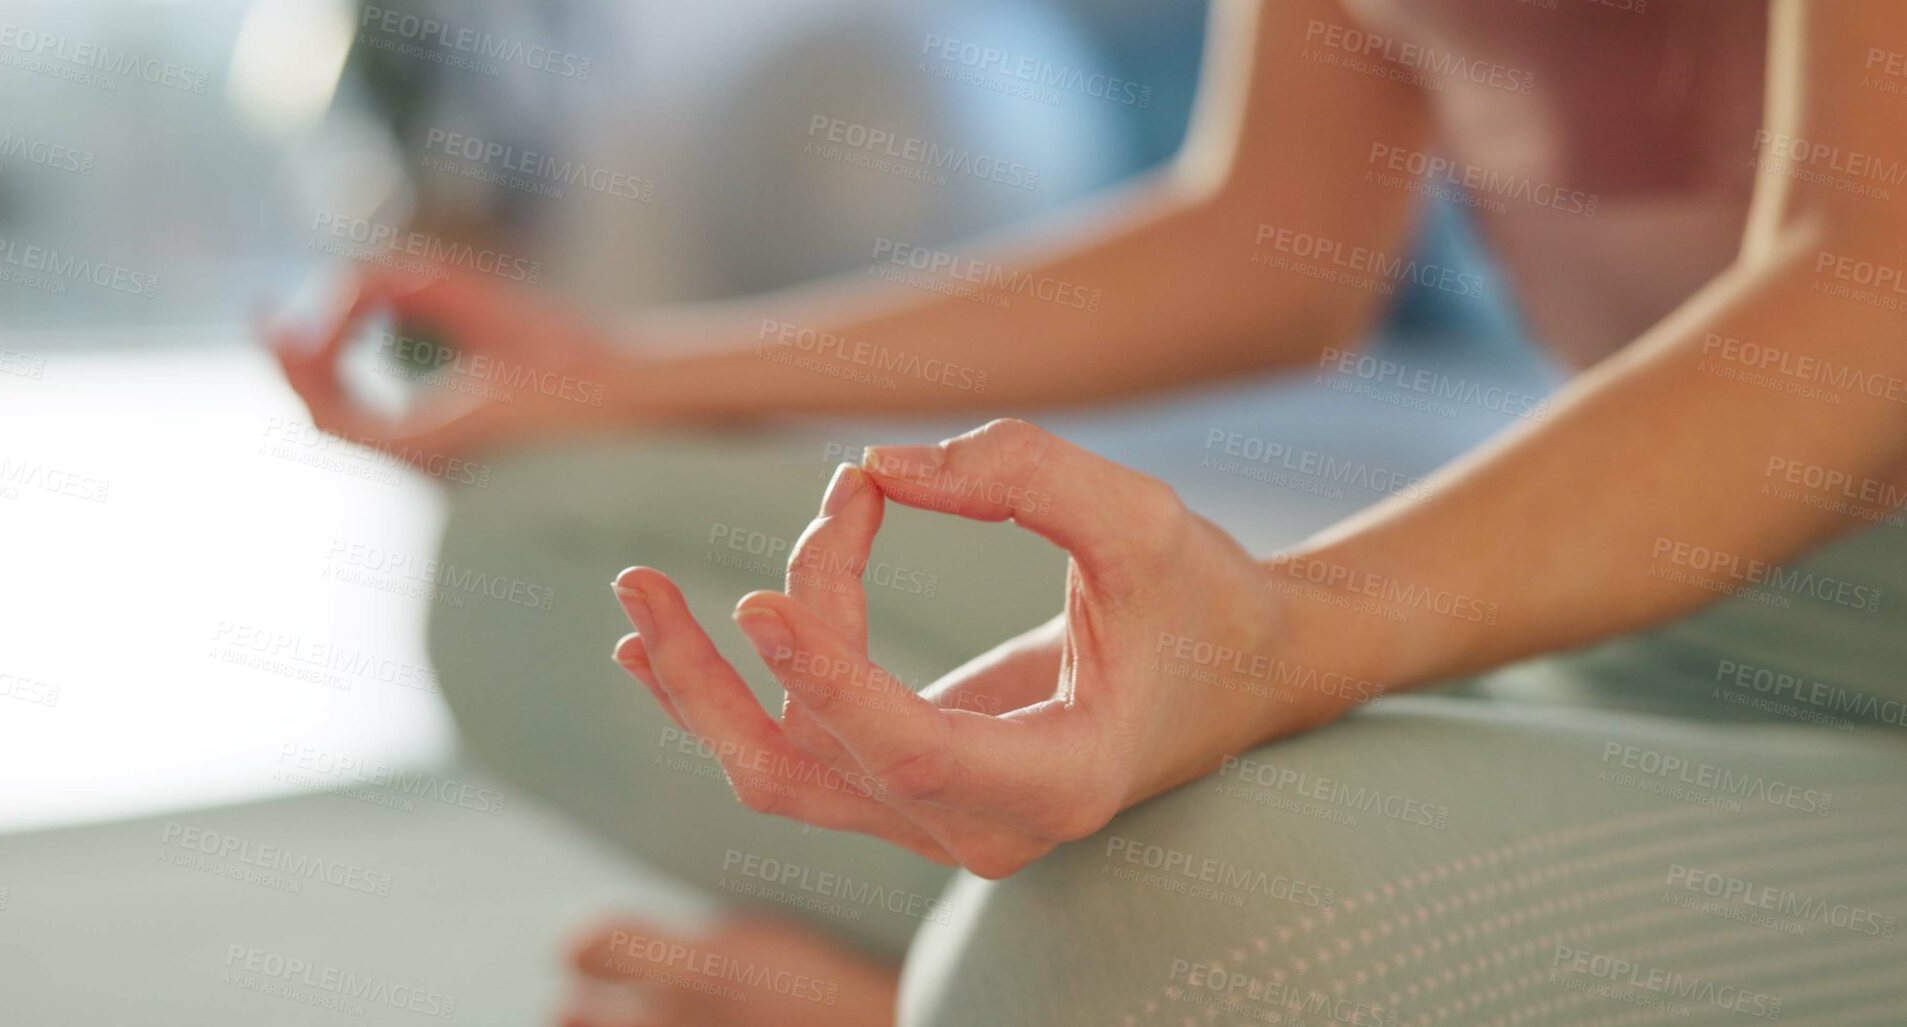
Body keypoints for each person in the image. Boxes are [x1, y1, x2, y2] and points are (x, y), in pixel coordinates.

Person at [269, 1, 1907, 1024]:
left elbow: (1866, 289)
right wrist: (624, 370)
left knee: (1129, 942)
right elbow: (1272, 239)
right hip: (1626, 597)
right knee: (544, 547)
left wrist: (1283, 637)